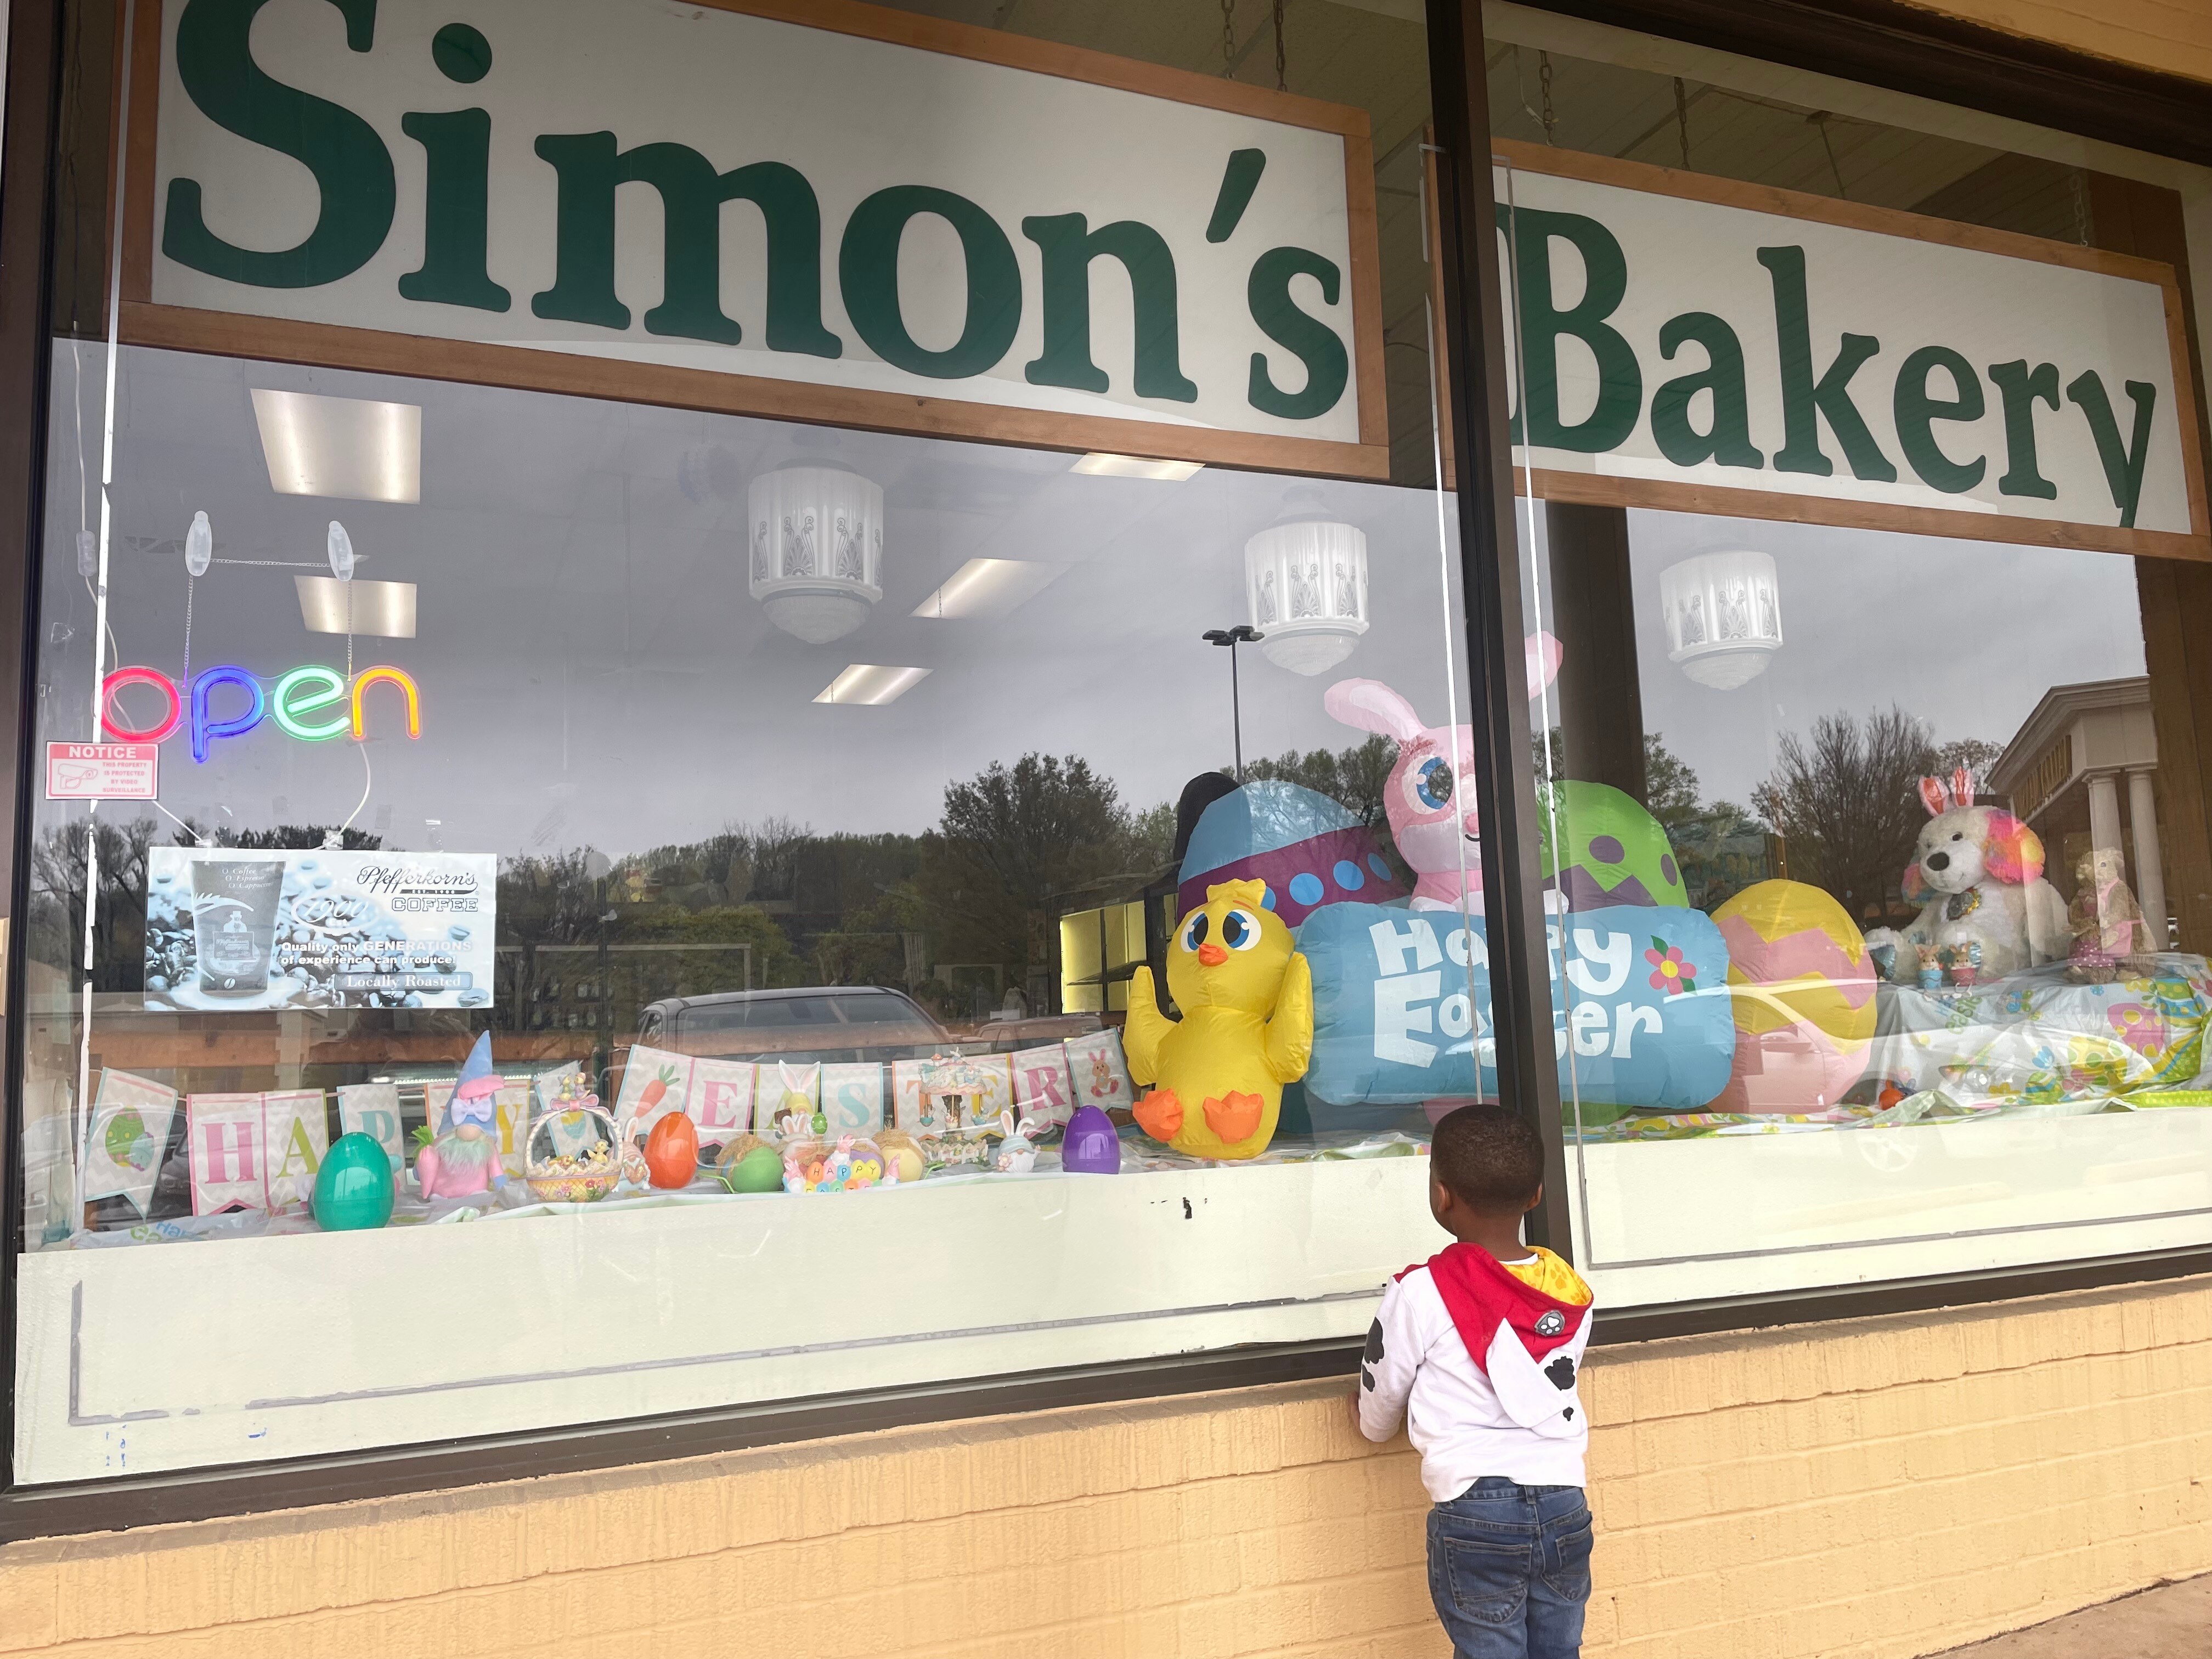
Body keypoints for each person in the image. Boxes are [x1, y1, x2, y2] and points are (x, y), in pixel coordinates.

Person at [1353, 1103, 1595, 1659]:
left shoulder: (1421, 1293)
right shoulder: (1568, 1294)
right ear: (1536, 1195)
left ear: (1442, 1194)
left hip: (1475, 1508)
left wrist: (1368, 1423)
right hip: (1563, 1499)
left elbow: (1383, 1389)